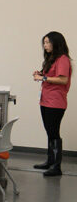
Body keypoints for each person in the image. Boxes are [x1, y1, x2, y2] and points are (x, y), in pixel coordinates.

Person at [33, 31, 72, 177]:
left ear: (56, 43)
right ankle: (50, 161)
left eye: (48, 42)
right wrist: (41, 75)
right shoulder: (51, 59)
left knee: (54, 132)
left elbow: (63, 79)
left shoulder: (63, 59)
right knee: (49, 131)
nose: (45, 45)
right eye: (44, 42)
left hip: (55, 102)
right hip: (46, 100)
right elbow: (50, 76)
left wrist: (43, 78)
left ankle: (56, 166)